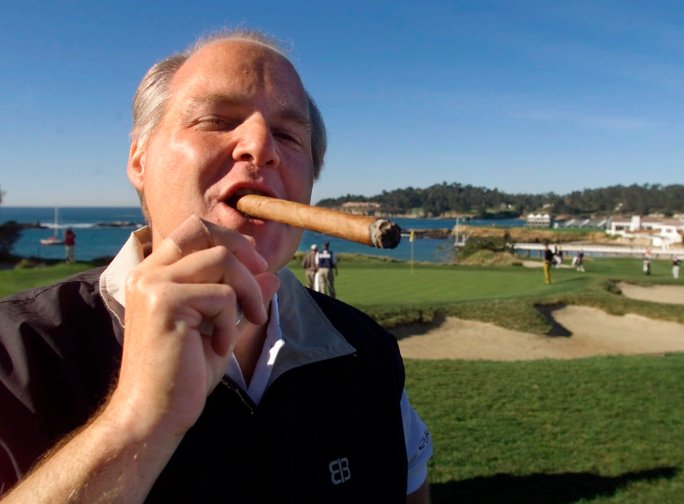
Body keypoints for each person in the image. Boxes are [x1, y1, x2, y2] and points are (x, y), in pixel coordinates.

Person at [0, 29, 431, 502]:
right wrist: (135, 423)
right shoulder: (16, 353)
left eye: (289, 135)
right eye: (216, 119)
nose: (261, 144)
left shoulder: (368, 352)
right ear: (139, 159)